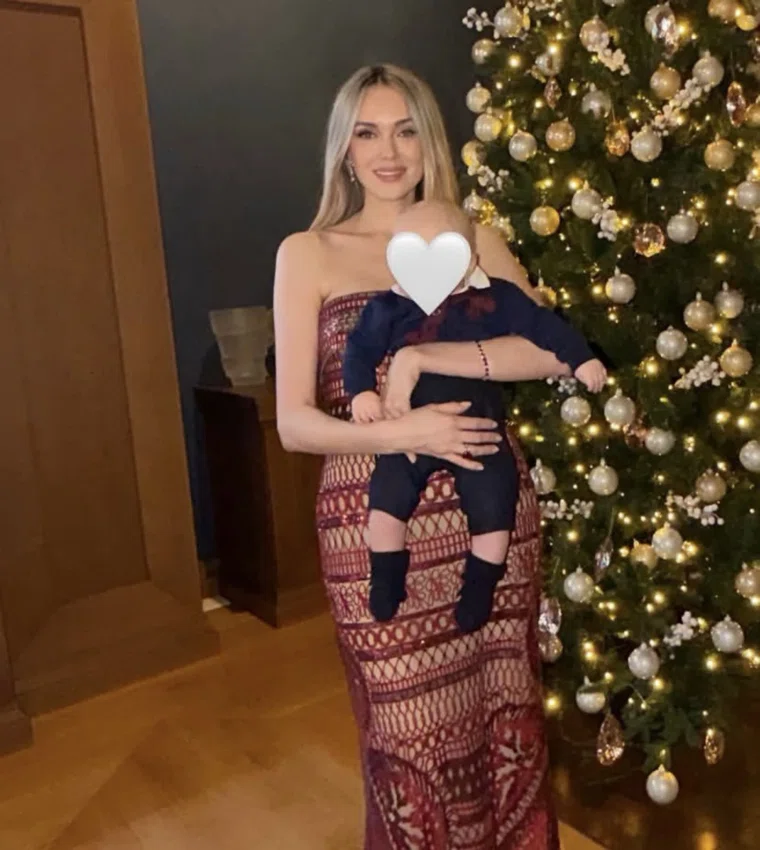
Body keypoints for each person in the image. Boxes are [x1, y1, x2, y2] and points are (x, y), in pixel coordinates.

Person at [274, 62, 574, 850]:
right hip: (375, 521)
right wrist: (403, 433)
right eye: (368, 133)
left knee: (505, 715)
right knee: (407, 737)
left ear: (430, 140)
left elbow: (549, 351)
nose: (389, 151)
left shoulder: (474, 239)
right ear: (344, 150)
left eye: (406, 130)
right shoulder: (309, 252)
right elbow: (294, 424)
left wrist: (430, 361)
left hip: (490, 516)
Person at [344, 199, 606, 633]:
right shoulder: (388, 306)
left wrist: (581, 359)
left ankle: (480, 585)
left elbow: (545, 327)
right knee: (385, 502)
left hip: (480, 429)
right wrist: (362, 393)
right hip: (407, 429)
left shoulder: (495, 297)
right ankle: (386, 576)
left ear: (469, 260)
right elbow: (359, 351)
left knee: (496, 503)